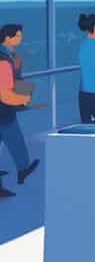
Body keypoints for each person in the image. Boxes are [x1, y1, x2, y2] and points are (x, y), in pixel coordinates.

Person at [0, 24, 39, 196]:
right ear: (7, 38)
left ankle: (22, 169)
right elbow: (5, 95)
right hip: (3, 112)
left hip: (5, 111)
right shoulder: (3, 61)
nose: (20, 38)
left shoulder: (12, 56)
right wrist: (23, 99)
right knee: (16, 140)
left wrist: (23, 92)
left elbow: (16, 79)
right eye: (17, 36)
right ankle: (23, 169)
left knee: (14, 140)